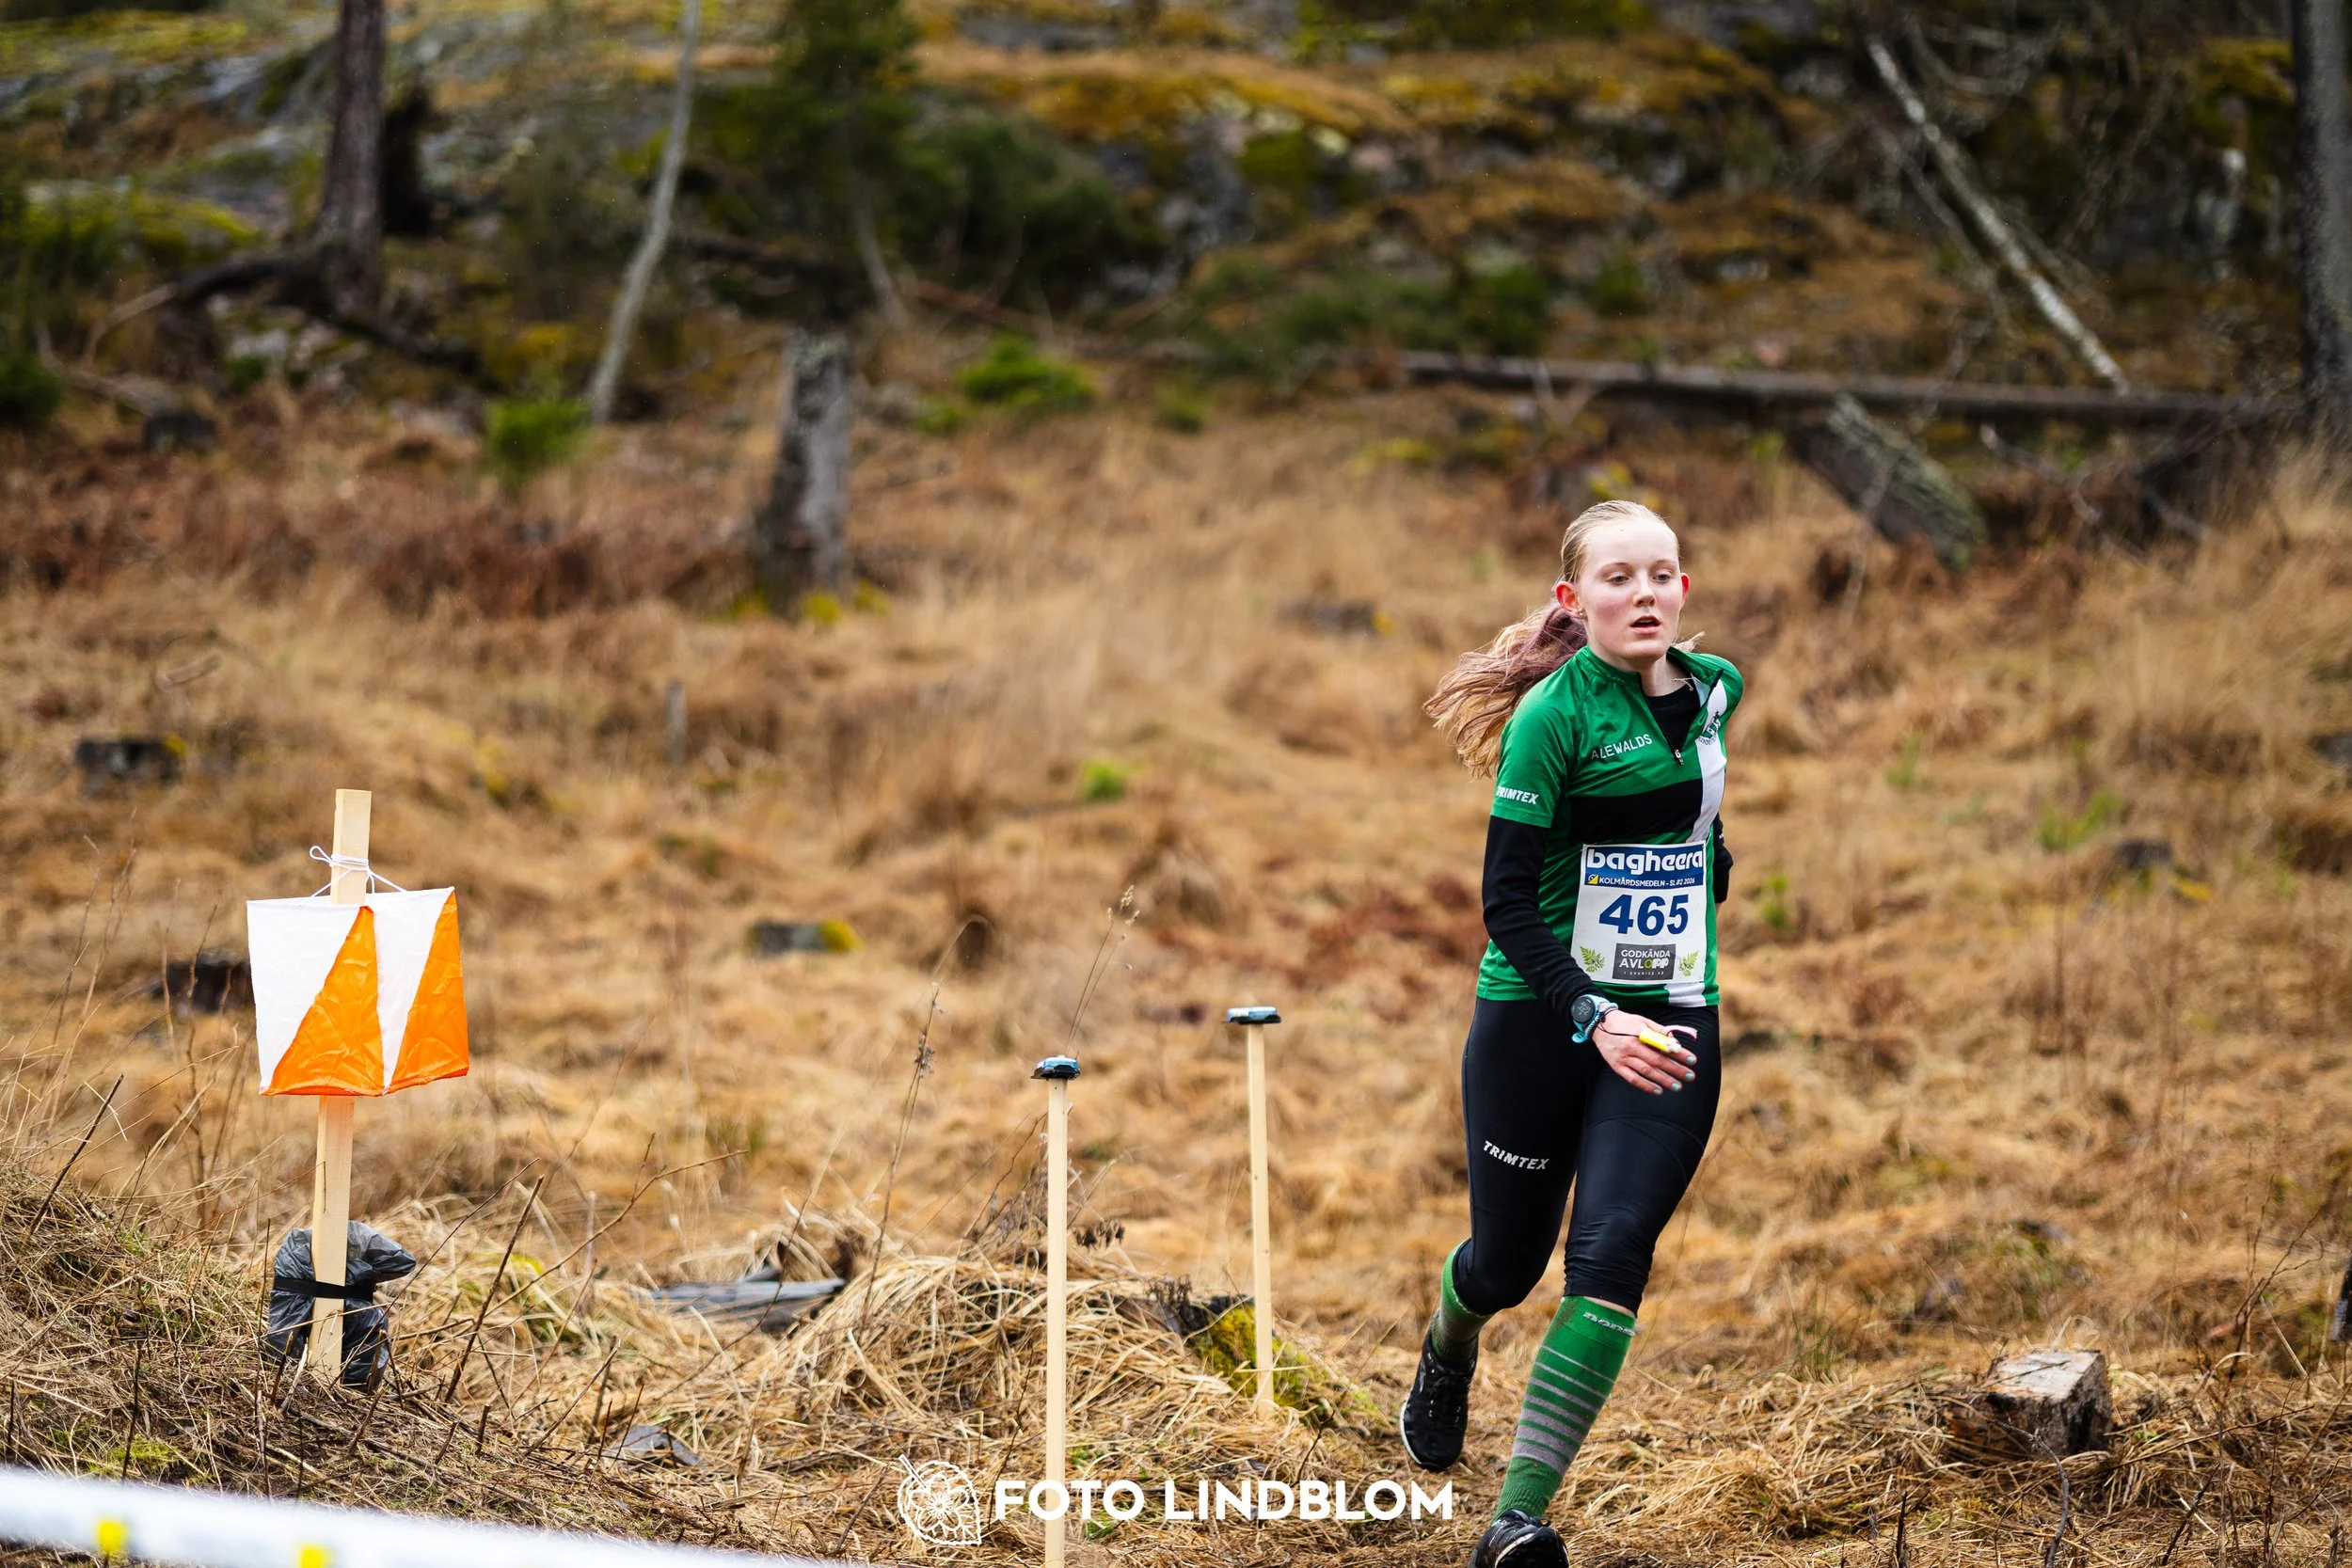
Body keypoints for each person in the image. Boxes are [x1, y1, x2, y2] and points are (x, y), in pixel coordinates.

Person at [1403, 499, 1741, 1568]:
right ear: (1573, 598)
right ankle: (1448, 1341)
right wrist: (1592, 1013)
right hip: (1541, 1014)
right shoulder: (1553, 717)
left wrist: (1703, 865)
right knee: (1506, 1264)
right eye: (1617, 578)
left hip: (1671, 1012)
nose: (1643, 594)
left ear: (1683, 590)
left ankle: (1515, 1519)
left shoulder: (1718, 689)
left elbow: (1695, 820)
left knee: (1610, 1251)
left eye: (1661, 575)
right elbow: (1504, 901)